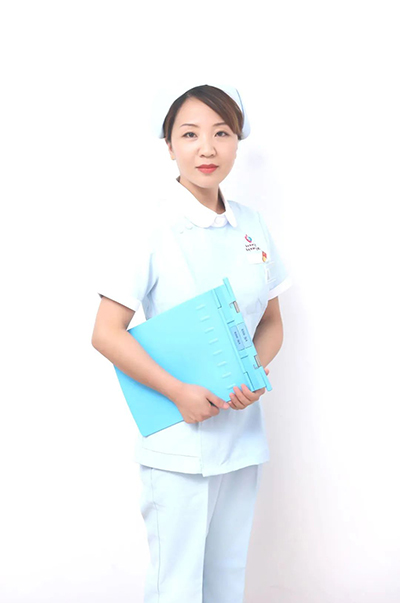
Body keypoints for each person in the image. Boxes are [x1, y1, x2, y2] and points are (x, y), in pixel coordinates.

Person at [91, 82, 292, 603]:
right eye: (190, 134)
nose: (207, 148)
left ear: (237, 142)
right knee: (176, 585)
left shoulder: (251, 225)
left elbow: (272, 321)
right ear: (169, 146)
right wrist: (178, 392)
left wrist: (254, 373)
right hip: (179, 439)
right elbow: (105, 332)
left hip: (241, 433)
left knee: (226, 576)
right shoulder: (150, 226)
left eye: (221, 133)